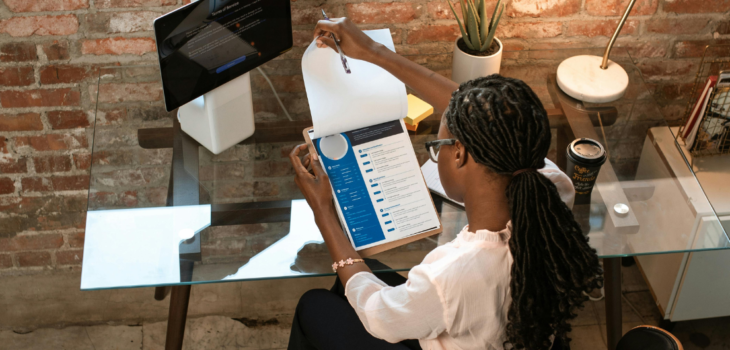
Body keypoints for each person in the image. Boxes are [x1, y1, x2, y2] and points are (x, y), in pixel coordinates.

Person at [286, 17, 603, 350]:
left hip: (446, 324)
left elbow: (377, 315)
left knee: (315, 304)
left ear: (461, 155)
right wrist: (373, 51)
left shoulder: (451, 276)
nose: (437, 153)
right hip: (509, 334)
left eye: (437, 147)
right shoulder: (554, 188)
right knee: (364, 273)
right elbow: (484, 113)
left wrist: (323, 210)